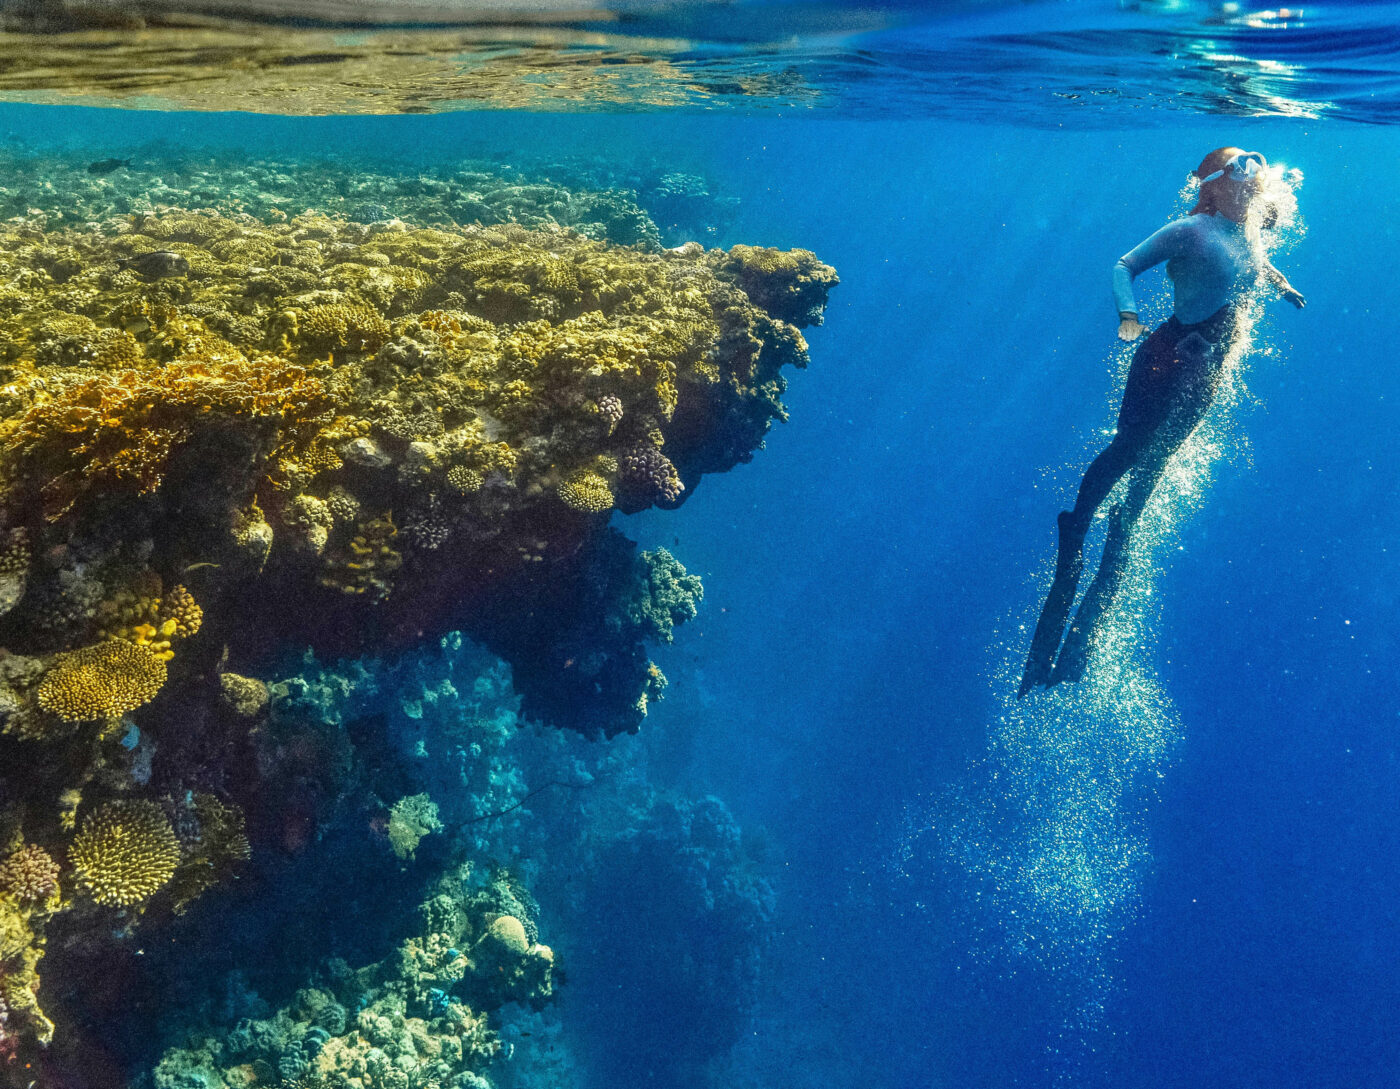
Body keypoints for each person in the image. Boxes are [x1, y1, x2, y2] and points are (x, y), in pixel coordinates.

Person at [1018, 147, 1305, 698]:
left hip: (1206, 371)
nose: (1255, 182)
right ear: (1215, 184)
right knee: (1129, 448)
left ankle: (1119, 540)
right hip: (1168, 356)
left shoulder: (1245, 233)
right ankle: (1078, 523)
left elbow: (1256, 262)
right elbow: (1123, 264)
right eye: (1243, 172)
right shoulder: (1190, 230)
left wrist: (1282, 285)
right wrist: (1128, 312)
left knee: (1159, 459)